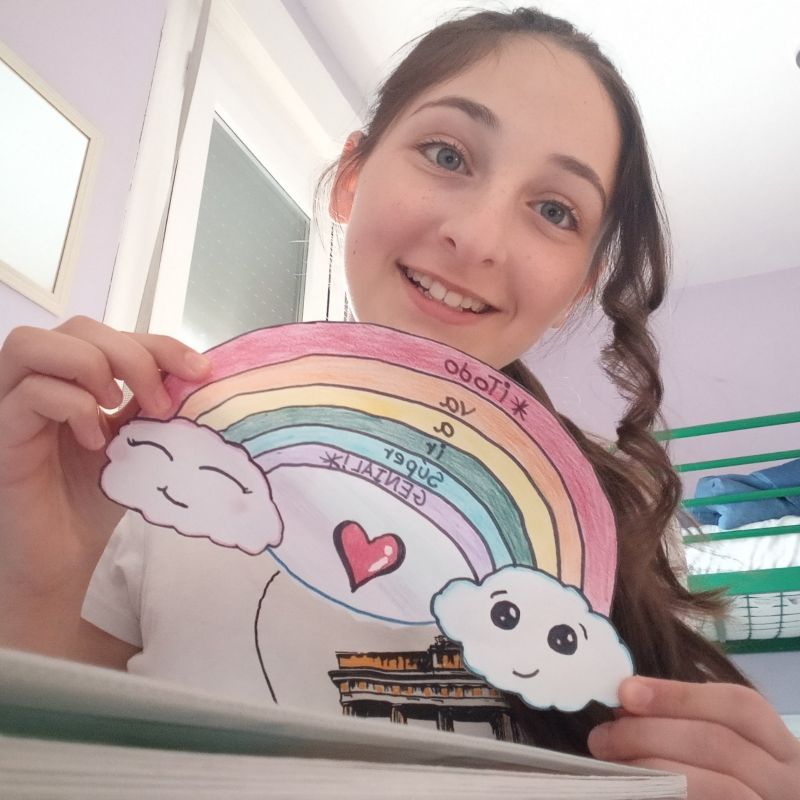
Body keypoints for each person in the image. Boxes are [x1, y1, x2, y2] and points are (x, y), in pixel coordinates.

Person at [0, 7, 797, 797]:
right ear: (351, 177)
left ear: (576, 289)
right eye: (447, 154)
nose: (478, 238)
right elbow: (57, 768)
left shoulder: (620, 537)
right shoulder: (159, 474)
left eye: (555, 210)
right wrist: (40, 575)